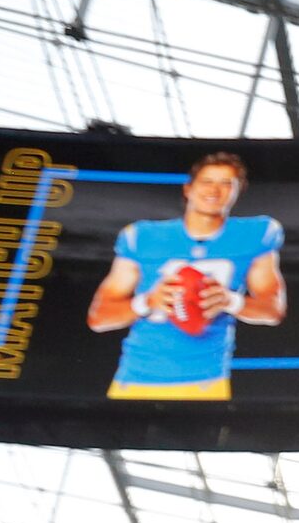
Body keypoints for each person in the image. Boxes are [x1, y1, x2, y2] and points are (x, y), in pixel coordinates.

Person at [85, 151, 287, 400]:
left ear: (238, 191)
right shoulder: (143, 236)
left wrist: (231, 301)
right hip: (137, 377)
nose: (215, 190)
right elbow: (99, 318)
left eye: (226, 183)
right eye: (207, 181)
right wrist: (147, 302)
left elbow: (273, 310)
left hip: (206, 381)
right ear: (188, 189)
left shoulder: (256, 233)